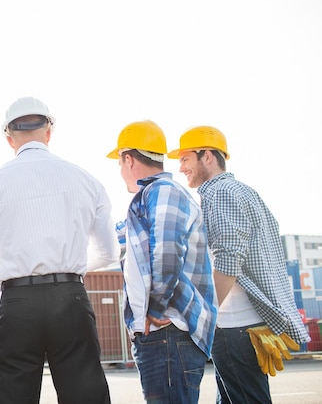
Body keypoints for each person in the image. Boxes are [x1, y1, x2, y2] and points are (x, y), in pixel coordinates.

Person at [0, 96, 118, 404]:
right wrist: (70, 270)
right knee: (85, 396)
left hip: (17, 302)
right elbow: (110, 253)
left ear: (9, 138)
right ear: (49, 132)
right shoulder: (87, 180)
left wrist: (1, 282)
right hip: (70, 298)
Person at [168, 125, 310, 403]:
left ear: (207, 156)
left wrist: (204, 315)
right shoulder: (245, 192)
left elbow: (228, 258)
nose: (181, 167)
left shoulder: (220, 193)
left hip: (234, 327)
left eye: (185, 158)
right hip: (245, 325)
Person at [106, 120, 218, 403]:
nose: (120, 171)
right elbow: (118, 240)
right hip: (163, 335)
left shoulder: (162, 191)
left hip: (168, 332)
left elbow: (167, 254)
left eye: (119, 163)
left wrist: (154, 311)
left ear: (128, 159)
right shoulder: (152, 197)